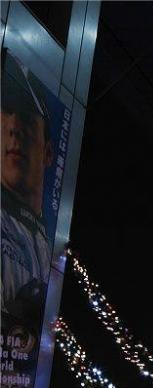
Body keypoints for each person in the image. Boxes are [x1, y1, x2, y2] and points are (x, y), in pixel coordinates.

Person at [1, 57, 53, 323]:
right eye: (6, 113)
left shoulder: (46, 244)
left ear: (48, 152)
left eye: (27, 120)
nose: (13, 128)